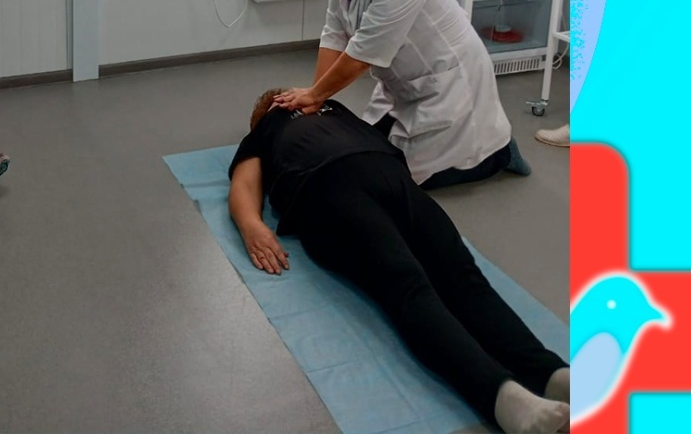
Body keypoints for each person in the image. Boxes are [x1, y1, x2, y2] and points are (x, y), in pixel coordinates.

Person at [229, 89, 571, 434]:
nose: (287, 99)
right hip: (324, 184)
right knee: (409, 286)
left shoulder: (329, 104)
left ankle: (551, 374)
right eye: (279, 99)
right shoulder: (267, 128)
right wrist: (251, 225)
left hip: (389, 172)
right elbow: (244, 184)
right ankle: (503, 399)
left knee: (463, 274)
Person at [273, 0, 529, 189]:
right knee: (368, 148)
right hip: (406, 82)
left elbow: (361, 56)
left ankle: (499, 154)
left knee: (397, 179)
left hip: (449, 83)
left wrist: (315, 95)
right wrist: (316, 96)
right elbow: (334, 33)